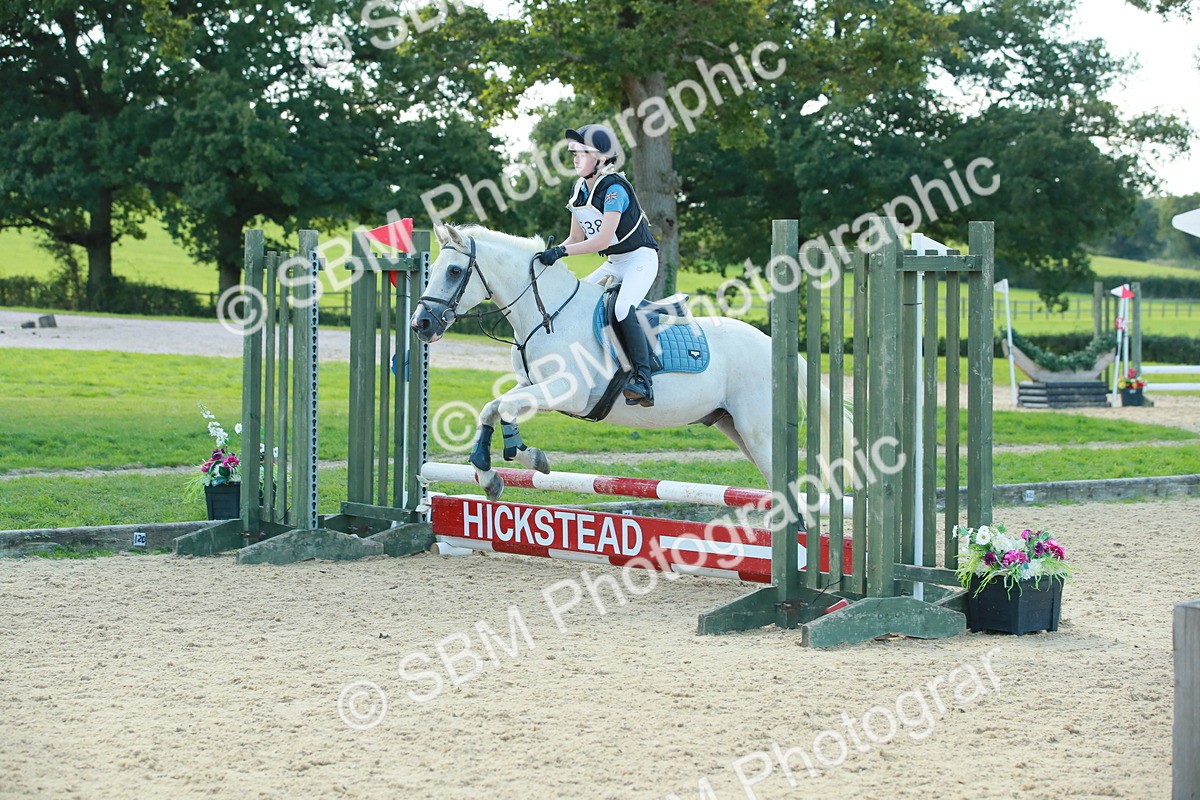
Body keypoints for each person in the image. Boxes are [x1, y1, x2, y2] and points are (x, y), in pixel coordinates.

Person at [536, 124, 660, 407]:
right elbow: (575, 238)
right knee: (574, 301)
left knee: (621, 307)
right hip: (616, 262)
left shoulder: (614, 188)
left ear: (602, 157)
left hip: (640, 258)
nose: (575, 158)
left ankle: (644, 379)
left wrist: (561, 252)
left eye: (581, 152)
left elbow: (602, 240)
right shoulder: (579, 189)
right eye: (573, 153)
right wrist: (549, 255)